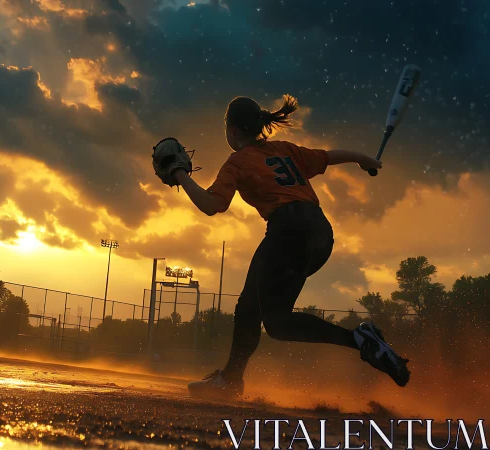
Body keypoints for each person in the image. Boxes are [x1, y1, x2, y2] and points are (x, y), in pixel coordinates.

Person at [172, 95, 410, 399]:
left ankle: (358, 339)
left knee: (271, 319)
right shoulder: (283, 149)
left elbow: (211, 205)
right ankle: (231, 377)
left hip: (287, 231)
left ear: (231, 131)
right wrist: (363, 159)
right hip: (319, 233)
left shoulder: (238, 161)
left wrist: (180, 174)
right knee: (255, 309)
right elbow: (329, 156)